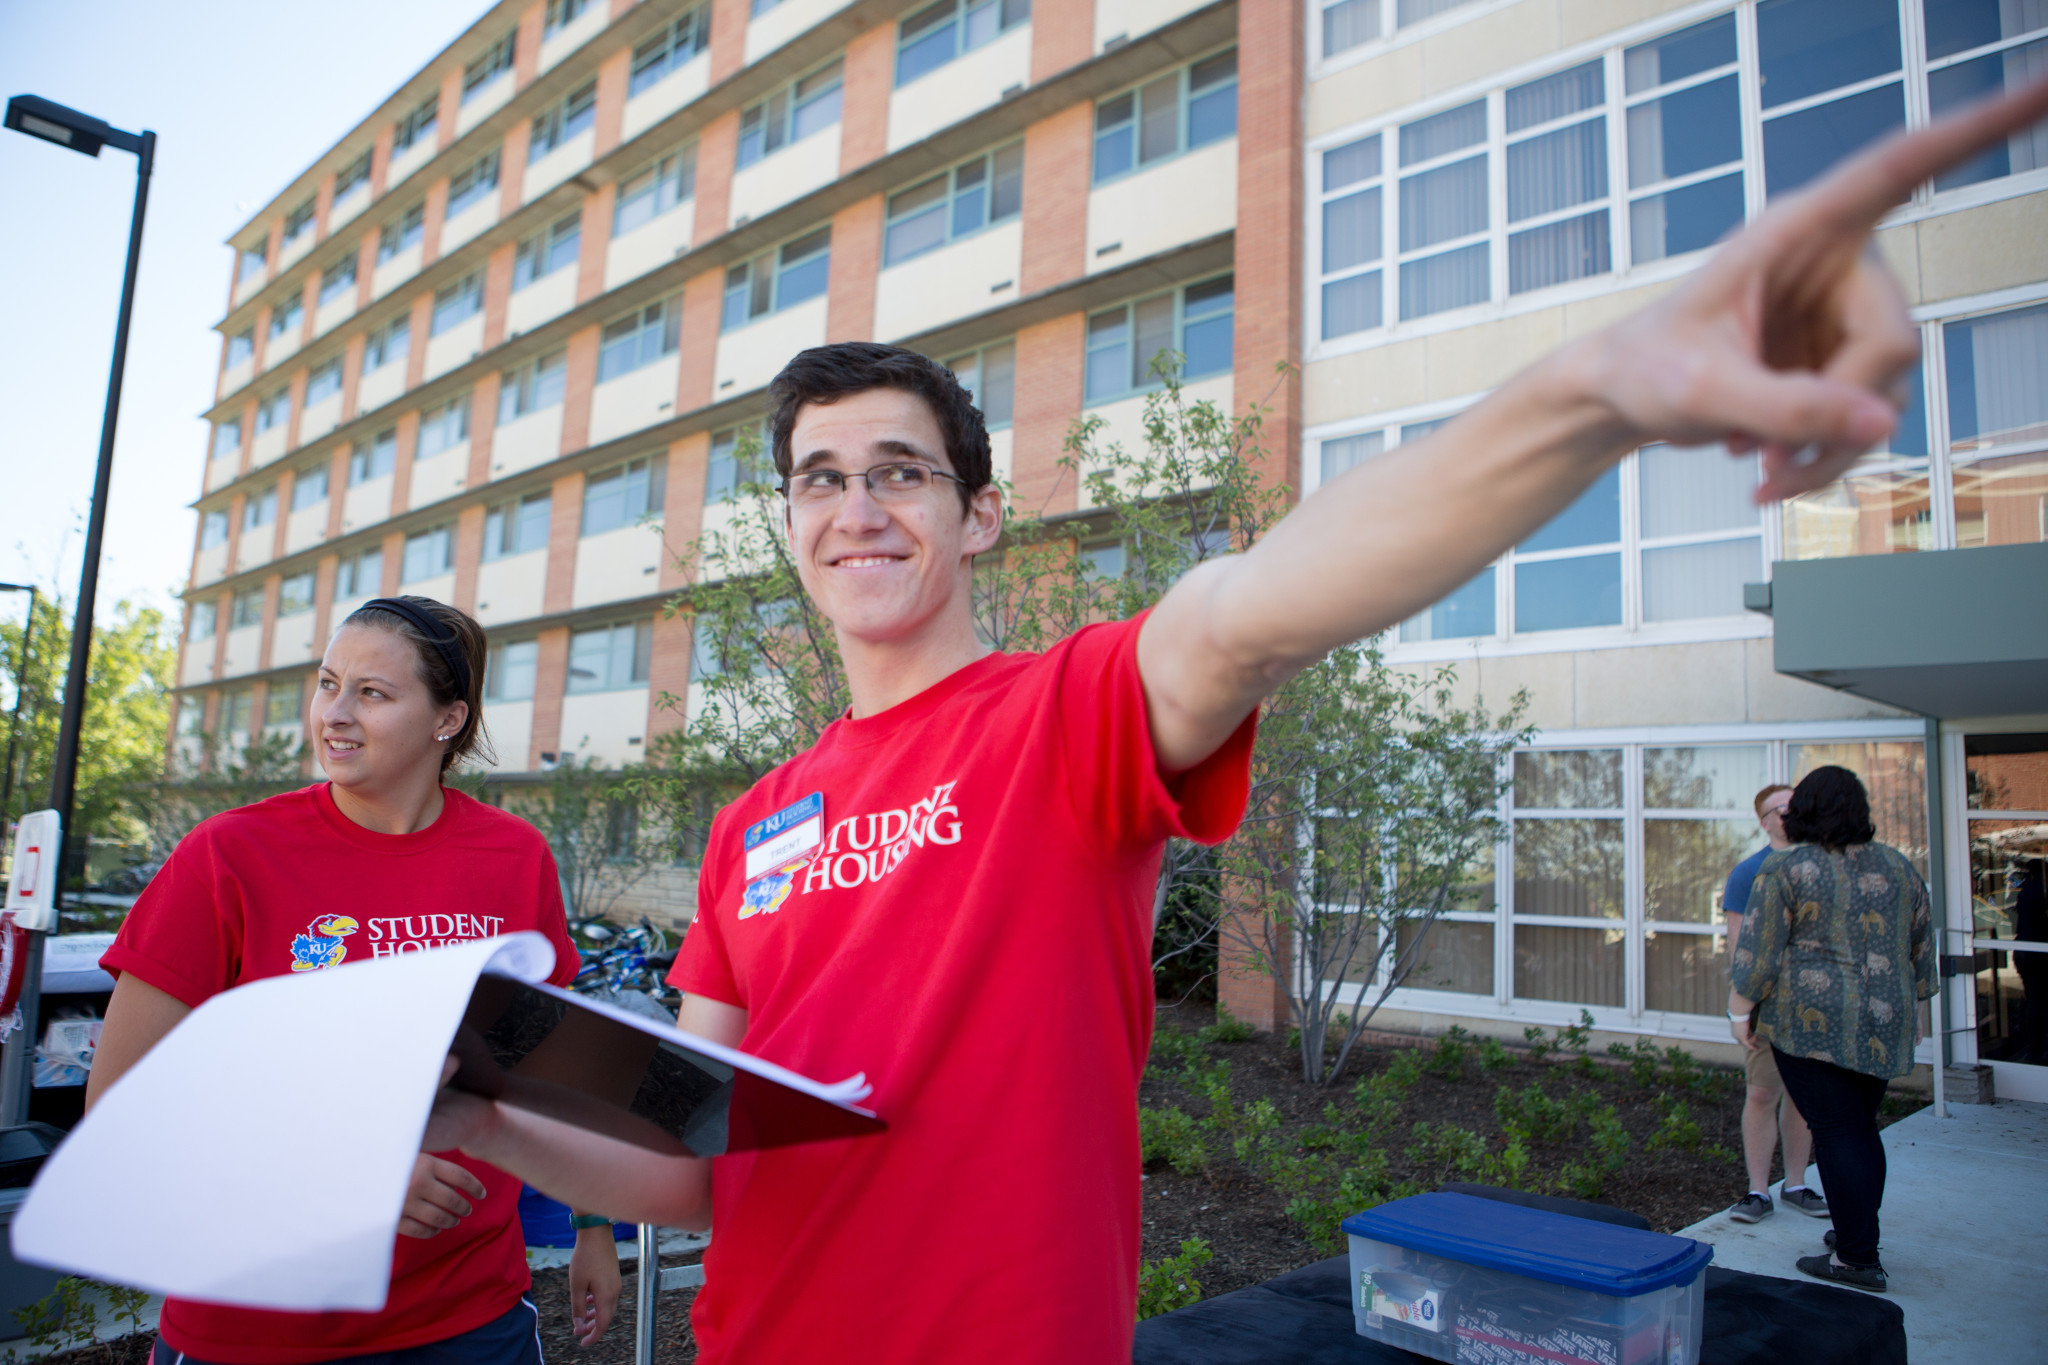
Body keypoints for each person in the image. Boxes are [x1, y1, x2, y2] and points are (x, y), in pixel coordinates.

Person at [421, 79, 2048, 1359]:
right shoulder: (745, 829)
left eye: (900, 469)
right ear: (788, 526)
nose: (858, 507)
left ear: (978, 516)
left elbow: (1254, 603)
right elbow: (690, 1159)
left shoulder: (1055, 719)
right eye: (821, 479)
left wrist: (1591, 388)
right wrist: (483, 1115)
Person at [89, 597, 622, 1363]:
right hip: (257, 1322)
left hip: (470, 1315)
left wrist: (592, 1225)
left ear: (448, 719)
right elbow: (120, 1107)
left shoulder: (514, 857)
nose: (334, 713)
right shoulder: (229, 856)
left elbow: (548, 1068)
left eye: (371, 693)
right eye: (327, 683)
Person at [1728, 766, 1935, 1293]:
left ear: (1807, 811)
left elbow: (1757, 955)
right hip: (1885, 1023)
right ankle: (1856, 1235)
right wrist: (1914, 1012)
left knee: (1840, 1132)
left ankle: (1857, 1258)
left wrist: (1738, 1013)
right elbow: (1920, 951)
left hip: (1810, 1027)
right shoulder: (1899, 866)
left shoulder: (1787, 869)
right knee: (1862, 1128)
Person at [1721, 783, 1824, 1223]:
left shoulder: (1827, 866)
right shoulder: (1749, 873)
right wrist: (1743, 1006)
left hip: (1819, 1006)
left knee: (1805, 1099)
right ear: (1764, 822)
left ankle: (1796, 1184)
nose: (1789, 813)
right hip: (1769, 1005)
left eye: (1795, 804)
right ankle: (1758, 1192)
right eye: (1779, 809)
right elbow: (1738, 947)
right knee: (1763, 1093)